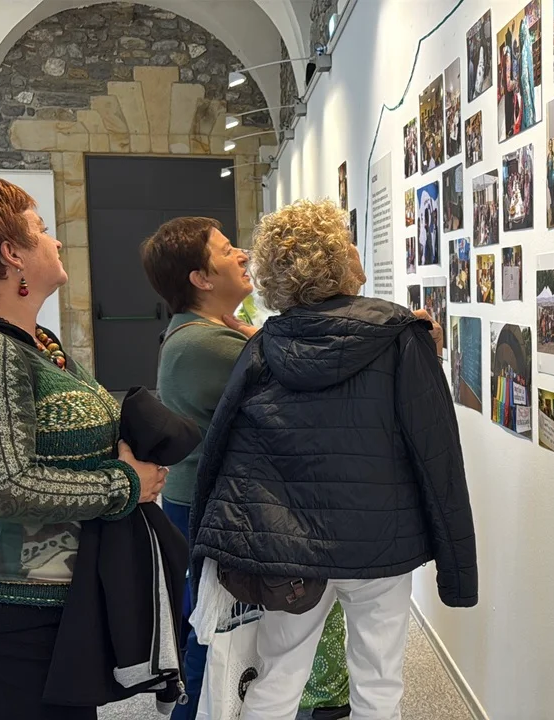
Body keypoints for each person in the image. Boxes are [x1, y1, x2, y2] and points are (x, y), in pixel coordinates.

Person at [190, 200, 476, 720]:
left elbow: (226, 455)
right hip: (381, 542)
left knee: (277, 677)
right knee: (379, 682)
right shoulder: (400, 339)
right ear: (337, 261)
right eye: (348, 242)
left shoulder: (263, 348)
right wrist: (457, 569)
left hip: (288, 551)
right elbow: (439, 457)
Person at [0, 176, 167, 719]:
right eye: (42, 229)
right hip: (2, 615)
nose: (55, 240)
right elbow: (6, 487)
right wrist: (124, 484)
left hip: (49, 607)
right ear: (12, 254)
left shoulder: (34, 345)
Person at [140, 218, 356, 720]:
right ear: (200, 278)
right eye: (225, 250)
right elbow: (305, 392)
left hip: (205, 501)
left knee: (216, 628)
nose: (241, 254)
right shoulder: (207, 345)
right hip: (212, 506)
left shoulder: (209, 334)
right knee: (216, 632)